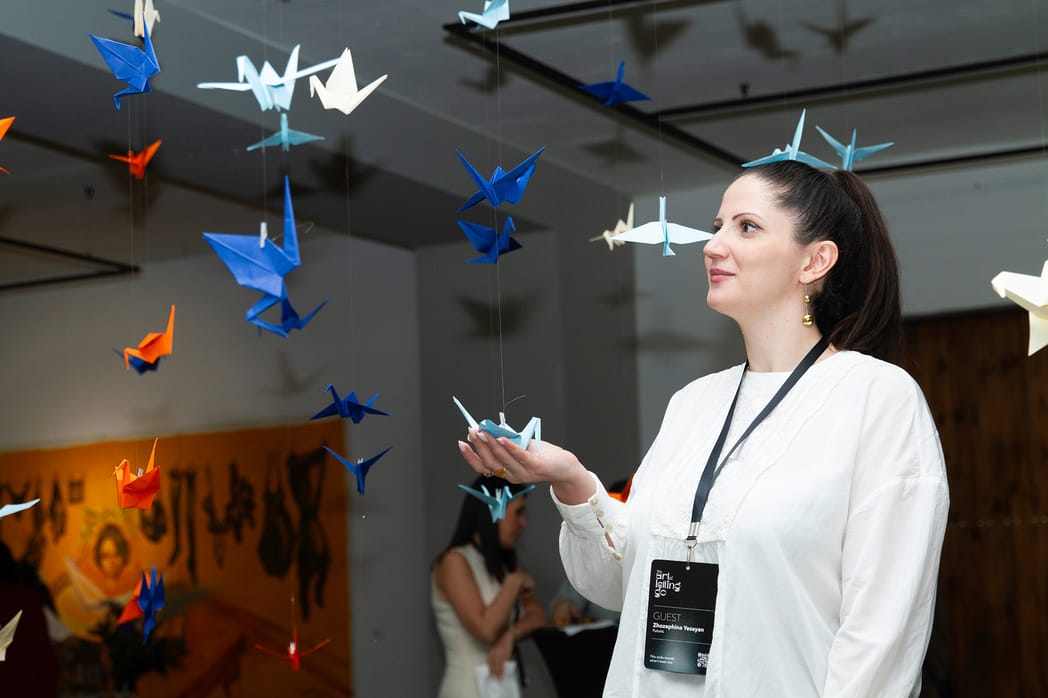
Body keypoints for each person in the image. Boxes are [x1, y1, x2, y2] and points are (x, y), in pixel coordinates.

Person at [458, 160, 949, 697]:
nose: (713, 245)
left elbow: (882, 633)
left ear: (814, 261)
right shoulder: (694, 403)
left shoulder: (877, 397)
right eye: (717, 227)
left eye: (746, 227)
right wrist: (571, 480)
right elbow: (617, 584)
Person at [432, 475, 546, 698]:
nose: (523, 523)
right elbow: (486, 630)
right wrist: (514, 582)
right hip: (467, 689)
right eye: (518, 513)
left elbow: (537, 616)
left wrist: (510, 636)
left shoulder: (502, 564)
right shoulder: (454, 561)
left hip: (503, 687)